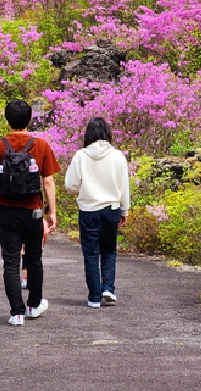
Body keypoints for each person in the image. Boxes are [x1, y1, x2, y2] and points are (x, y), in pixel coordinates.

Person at [0, 99, 60, 326]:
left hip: (7, 212)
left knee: (11, 262)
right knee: (34, 259)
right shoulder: (41, 145)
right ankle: (34, 304)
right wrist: (51, 212)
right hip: (33, 211)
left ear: (7, 119)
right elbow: (49, 182)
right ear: (30, 118)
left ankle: (16, 313)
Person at [64, 117, 130, 309]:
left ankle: (94, 297)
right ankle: (108, 288)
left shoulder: (81, 156)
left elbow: (70, 186)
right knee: (109, 251)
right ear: (107, 133)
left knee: (91, 254)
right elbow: (124, 186)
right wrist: (124, 210)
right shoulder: (118, 156)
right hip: (111, 209)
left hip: (88, 210)